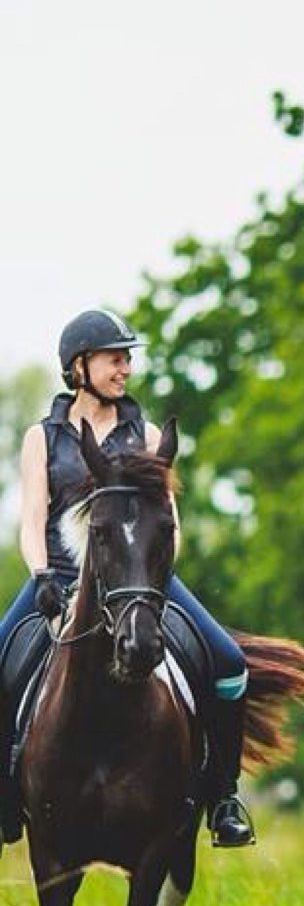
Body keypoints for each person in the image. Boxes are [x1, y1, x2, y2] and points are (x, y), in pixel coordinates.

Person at [0, 309, 255, 849]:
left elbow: (172, 526)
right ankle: (6, 791)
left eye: (128, 358)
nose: (126, 368)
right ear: (79, 367)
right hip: (61, 577)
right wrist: (43, 576)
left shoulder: (148, 435)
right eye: (115, 358)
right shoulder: (41, 438)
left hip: (139, 580)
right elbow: (33, 520)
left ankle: (224, 798)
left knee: (229, 664)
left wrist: (152, 582)